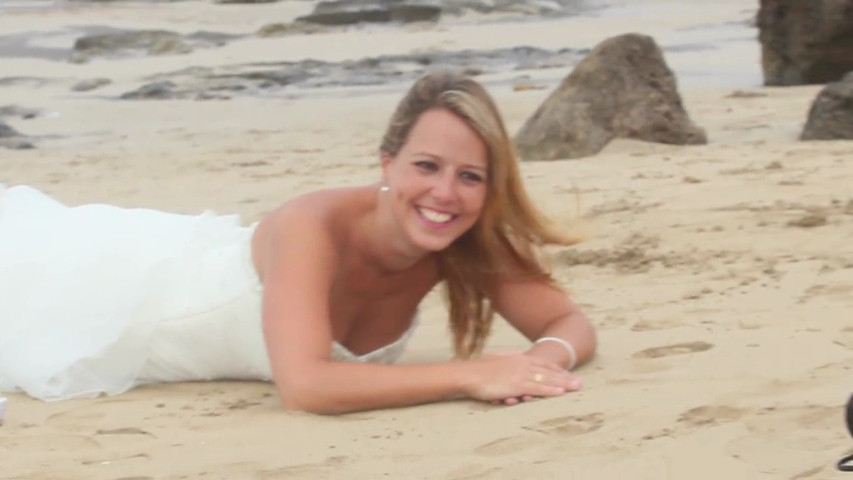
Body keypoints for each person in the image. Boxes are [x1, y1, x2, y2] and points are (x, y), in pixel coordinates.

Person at [0, 71, 597, 414]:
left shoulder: (463, 242)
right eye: (426, 166)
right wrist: (470, 375)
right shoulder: (311, 226)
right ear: (387, 162)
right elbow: (307, 384)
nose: (445, 193)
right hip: (117, 289)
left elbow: (569, 322)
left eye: (470, 177)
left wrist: (536, 365)